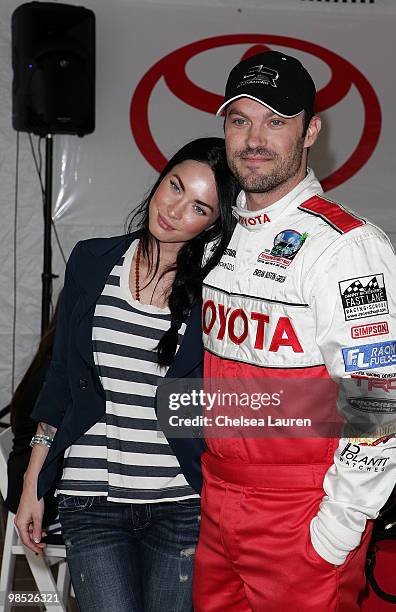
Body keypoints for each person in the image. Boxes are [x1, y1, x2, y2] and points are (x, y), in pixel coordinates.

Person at [193, 51, 396, 611]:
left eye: (277, 121)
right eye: (240, 120)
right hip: (217, 502)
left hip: (302, 511)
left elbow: (378, 397)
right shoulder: (219, 235)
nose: (254, 138)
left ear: (311, 130)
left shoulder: (346, 247)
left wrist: (336, 528)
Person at [15, 137, 238, 612]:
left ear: (214, 225)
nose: (175, 210)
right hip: (89, 495)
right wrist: (34, 480)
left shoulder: (218, 294)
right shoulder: (91, 260)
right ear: (161, 178)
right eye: (174, 186)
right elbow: (60, 378)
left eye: (198, 207)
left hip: (181, 502)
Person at [5, 301, 61, 540]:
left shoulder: (49, 356)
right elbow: (51, 427)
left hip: (32, 484)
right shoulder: (57, 370)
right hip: (39, 500)